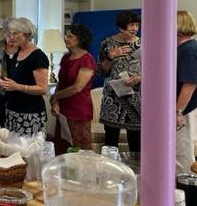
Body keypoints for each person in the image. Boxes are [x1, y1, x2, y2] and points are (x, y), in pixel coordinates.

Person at [97, 10, 142, 152]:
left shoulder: (144, 44)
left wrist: (140, 78)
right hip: (113, 98)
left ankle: (137, 172)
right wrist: (111, 56)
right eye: (131, 25)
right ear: (121, 27)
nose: (134, 28)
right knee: (110, 141)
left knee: (136, 142)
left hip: (136, 97)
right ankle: (111, 172)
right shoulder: (107, 43)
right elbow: (102, 72)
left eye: (137, 25)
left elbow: (156, 71)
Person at [0, 18, 49, 136]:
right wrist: (4, 85)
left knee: (29, 152)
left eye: (15, 33)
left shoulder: (38, 56)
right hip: (13, 111)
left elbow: (42, 88)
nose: (11, 37)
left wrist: (17, 87)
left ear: (27, 34)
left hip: (30, 114)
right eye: (10, 34)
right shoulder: (16, 54)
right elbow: (14, 82)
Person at [50, 24, 96, 154]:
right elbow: (61, 82)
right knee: (62, 147)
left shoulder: (87, 60)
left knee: (80, 148)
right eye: (66, 35)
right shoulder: (66, 57)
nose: (66, 38)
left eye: (70, 36)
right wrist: (55, 102)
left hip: (79, 110)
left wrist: (55, 96)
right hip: (63, 109)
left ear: (80, 39)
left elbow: (77, 88)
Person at [175, 11, 197, 173]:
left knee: (182, 155)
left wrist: (178, 111)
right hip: (188, 107)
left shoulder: (189, 51)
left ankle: (186, 196)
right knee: (179, 153)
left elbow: (189, 84)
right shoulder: (185, 48)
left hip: (189, 108)